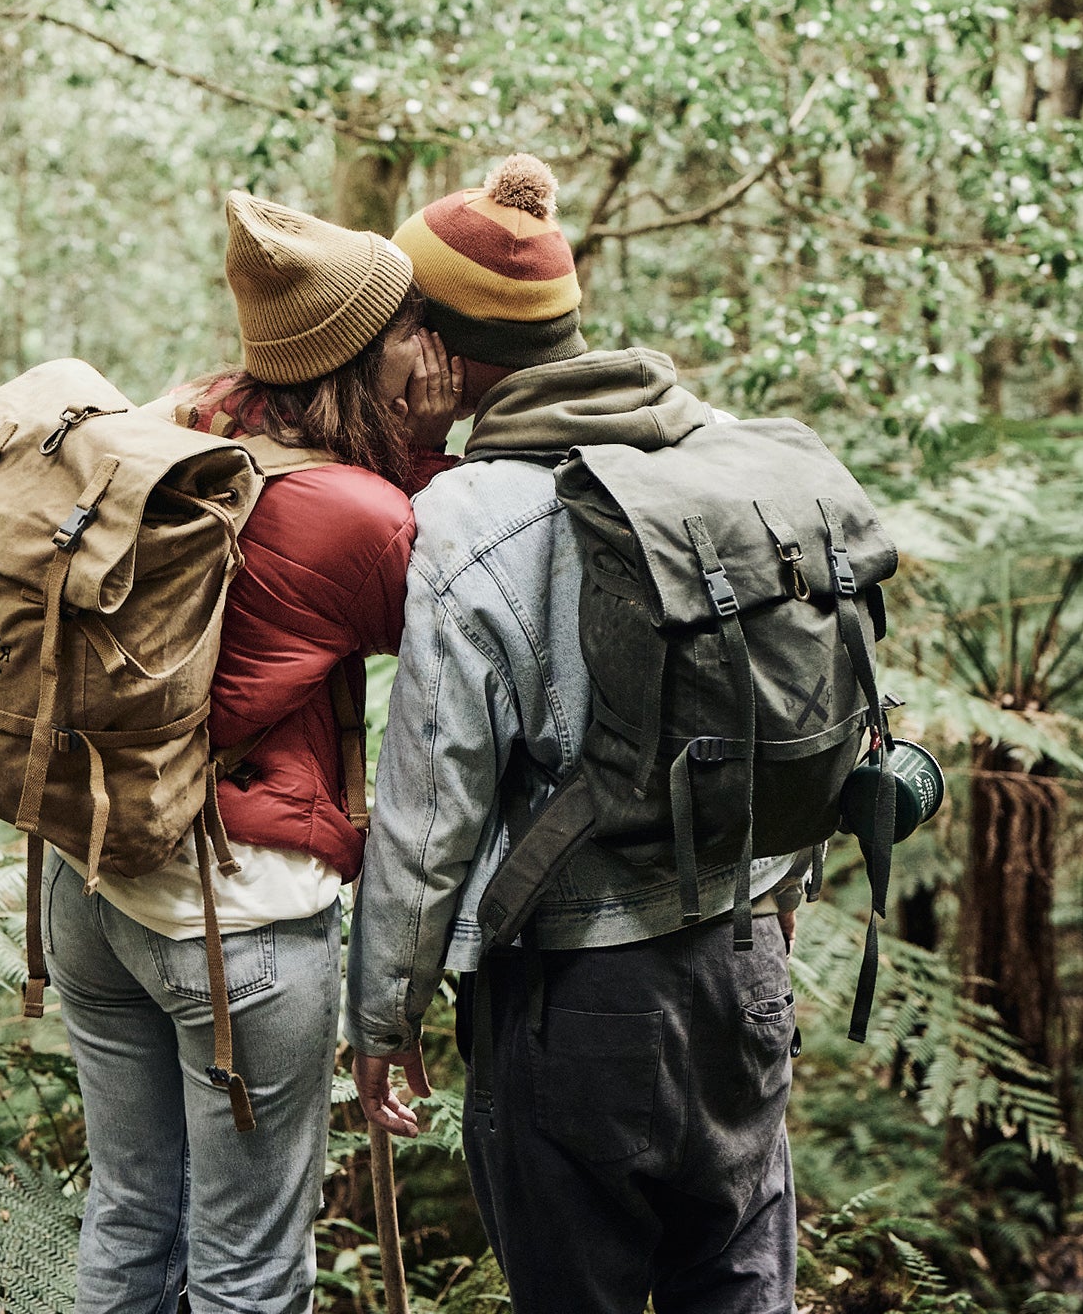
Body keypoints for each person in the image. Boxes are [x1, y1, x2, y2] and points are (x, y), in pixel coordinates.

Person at [347, 154, 807, 1314]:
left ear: (447, 353)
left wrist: (383, 1017)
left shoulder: (472, 514)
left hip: (573, 995)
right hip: (745, 963)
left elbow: (430, 803)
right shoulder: (723, 462)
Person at [42, 190, 460, 1314]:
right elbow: (439, 605)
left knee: (130, 1214)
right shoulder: (358, 511)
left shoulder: (177, 420)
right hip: (240, 926)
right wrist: (426, 439)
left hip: (90, 883)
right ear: (363, 358)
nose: (432, 350)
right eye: (410, 330)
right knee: (248, 1272)